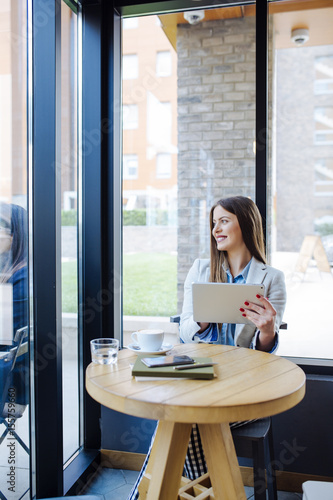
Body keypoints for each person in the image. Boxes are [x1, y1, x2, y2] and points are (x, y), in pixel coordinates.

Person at [128, 195, 286, 498]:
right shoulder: (200, 271)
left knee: (179, 418)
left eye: (224, 220)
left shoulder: (271, 279)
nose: (216, 229)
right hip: (199, 372)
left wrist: (268, 330)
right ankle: (207, 493)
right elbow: (186, 333)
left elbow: (264, 354)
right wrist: (199, 322)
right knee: (183, 412)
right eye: (214, 223)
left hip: (244, 383)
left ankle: (158, 494)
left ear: (247, 224)